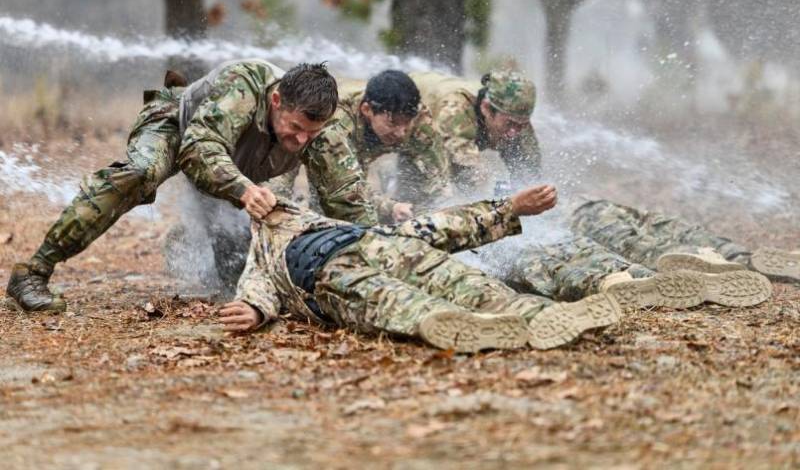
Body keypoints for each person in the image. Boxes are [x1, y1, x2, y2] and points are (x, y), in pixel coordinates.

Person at [6, 59, 339, 312]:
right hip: (176, 126)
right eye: (295, 127)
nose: (301, 140)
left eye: (311, 132)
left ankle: (181, 240)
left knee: (238, 273)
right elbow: (199, 150)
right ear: (277, 100)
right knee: (140, 173)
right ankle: (33, 273)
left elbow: (346, 200)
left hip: (226, 165)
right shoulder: (242, 86)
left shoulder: (320, 134)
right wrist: (245, 190)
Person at [218, 183, 624, 353]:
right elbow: (256, 288)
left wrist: (508, 208)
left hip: (386, 245)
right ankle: (461, 326)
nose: (265, 201)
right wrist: (254, 309)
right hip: (328, 277)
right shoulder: (262, 254)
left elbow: (429, 228)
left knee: (468, 281)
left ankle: (546, 316)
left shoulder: (332, 222)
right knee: (398, 301)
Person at [299, 70, 449, 225]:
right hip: (317, 150)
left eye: (406, 123)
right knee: (332, 212)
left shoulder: (419, 120)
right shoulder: (338, 123)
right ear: (367, 110)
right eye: (393, 123)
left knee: (422, 208)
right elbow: (347, 191)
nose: (401, 132)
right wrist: (389, 207)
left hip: (371, 148)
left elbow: (440, 185)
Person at [503, 234, 772, 310]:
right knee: (590, 251)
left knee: (546, 269)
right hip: (543, 230)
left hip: (514, 238)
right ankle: (643, 276)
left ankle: (607, 282)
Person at [570, 198, 799, 283]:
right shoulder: (533, 137)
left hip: (575, 213)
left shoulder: (533, 138)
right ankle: (741, 257)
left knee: (633, 244)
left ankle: (710, 261)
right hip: (588, 202)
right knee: (666, 226)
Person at [409, 63, 541, 194]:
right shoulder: (455, 111)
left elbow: (531, 177)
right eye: (509, 124)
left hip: (448, 124)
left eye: (521, 124)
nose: (514, 132)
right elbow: (466, 170)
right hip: (409, 117)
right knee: (433, 189)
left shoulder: (518, 122)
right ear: (486, 109)